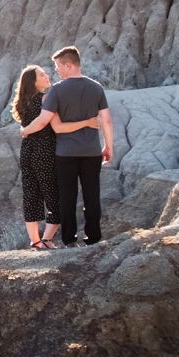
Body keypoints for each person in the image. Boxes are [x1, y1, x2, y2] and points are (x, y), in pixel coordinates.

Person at [12, 65, 103, 249]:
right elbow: (55, 126)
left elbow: (30, 126)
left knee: (31, 195)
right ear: (33, 81)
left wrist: (24, 131)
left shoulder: (22, 102)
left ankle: (35, 241)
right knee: (55, 197)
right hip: (45, 151)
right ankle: (46, 239)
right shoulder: (47, 97)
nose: (47, 76)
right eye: (41, 74)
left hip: (27, 151)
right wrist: (86, 122)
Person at [38, 45, 114, 245]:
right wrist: (108, 147)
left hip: (65, 153)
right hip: (91, 152)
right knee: (92, 195)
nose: (56, 70)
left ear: (69, 65)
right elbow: (106, 121)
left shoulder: (57, 90)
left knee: (67, 197)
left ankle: (69, 239)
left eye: (58, 66)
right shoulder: (96, 87)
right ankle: (93, 238)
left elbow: (46, 120)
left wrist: (26, 129)